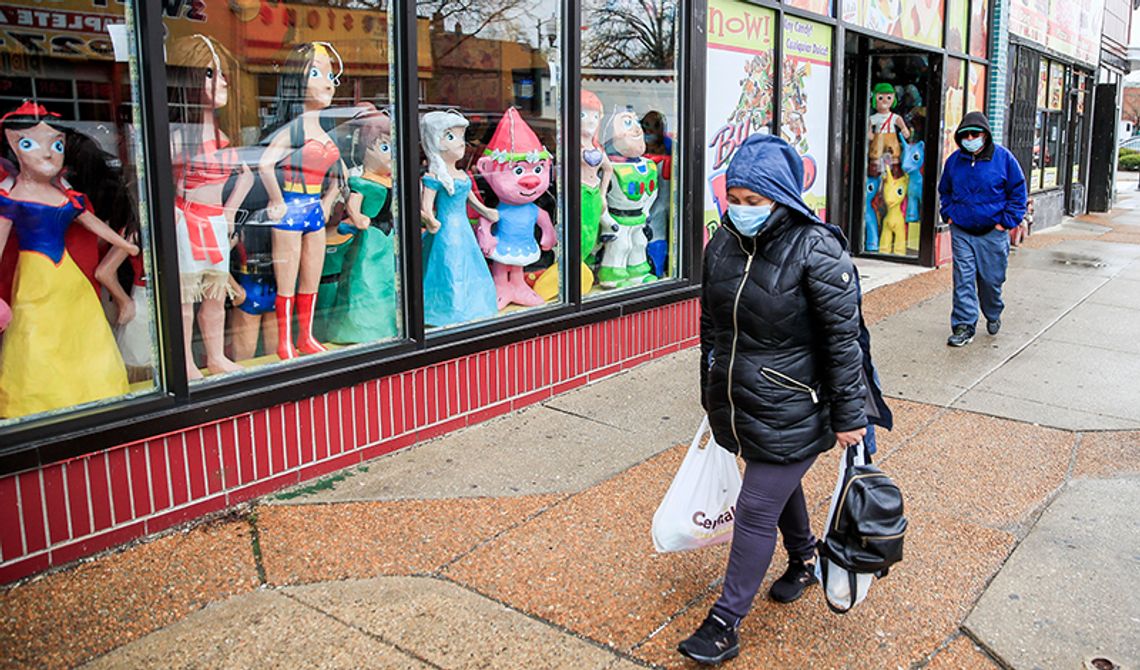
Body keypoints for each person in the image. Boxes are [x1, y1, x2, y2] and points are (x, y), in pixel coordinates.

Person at [679, 134, 868, 665]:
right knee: (775, 480)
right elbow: (712, 326)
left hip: (798, 403)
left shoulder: (816, 248)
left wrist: (851, 413)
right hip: (742, 401)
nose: (741, 211)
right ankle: (805, 559)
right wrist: (711, 386)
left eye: (753, 202)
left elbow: (843, 338)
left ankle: (724, 622)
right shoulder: (722, 244)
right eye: (734, 200)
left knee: (756, 505)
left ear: (781, 197)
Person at [938, 111, 1027, 347]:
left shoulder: (1004, 159)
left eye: (974, 134)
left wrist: (1005, 223)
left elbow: (1018, 193)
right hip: (962, 230)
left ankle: (993, 311)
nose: (970, 139)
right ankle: (964, 325)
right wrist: (948, 214)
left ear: (985, 135)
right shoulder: (954, 161)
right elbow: (944, 190)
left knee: (991, 280)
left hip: (992, 232)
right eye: (965, 135)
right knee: (963, 278)